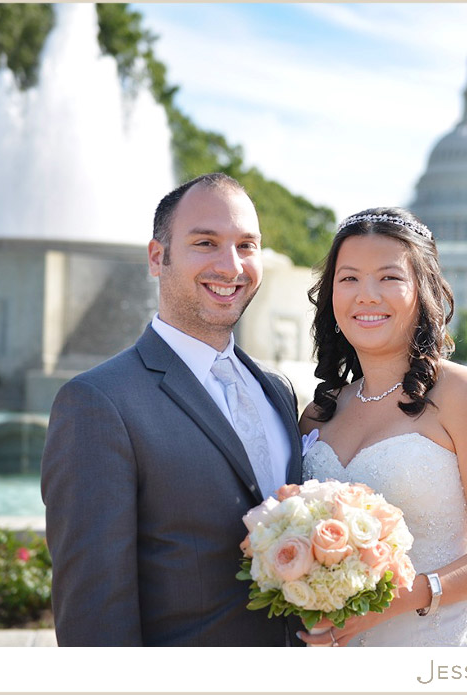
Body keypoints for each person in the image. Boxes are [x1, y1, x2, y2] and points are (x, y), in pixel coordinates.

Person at [41, 173, 303, 646]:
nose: (231, 266)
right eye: (206, 242)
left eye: (247, 245)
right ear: (158, 257)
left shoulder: (278, 391)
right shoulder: (99, 403)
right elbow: (93, 614)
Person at [298, 207, 467, 647]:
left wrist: (402, 599)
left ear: (422, 289)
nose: (366, 295)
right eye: (348, 278)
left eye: (389, 277)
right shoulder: (319, 413)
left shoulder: (466, 396)